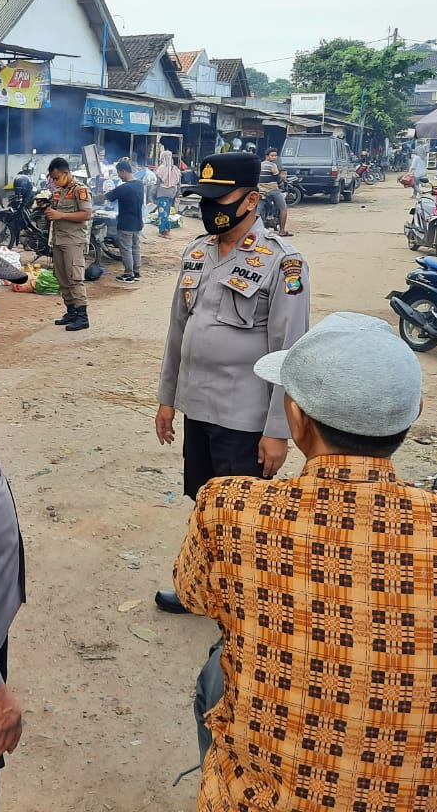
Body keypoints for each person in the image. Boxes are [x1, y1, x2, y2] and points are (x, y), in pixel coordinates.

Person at [174, 311, 437, 811]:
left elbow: (194, 593)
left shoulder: (228, 507)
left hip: (261, 801)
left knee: (216, 671)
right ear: (414, 411)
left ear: (295, 417)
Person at [153, 151, 310, 614]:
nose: (210, 207)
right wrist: (167, 400)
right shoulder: (197, 251)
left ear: (252, 200)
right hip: (198, 408)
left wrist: (278, 431)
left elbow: (289, 353)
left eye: (219, 198)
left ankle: (243, 601)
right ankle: (202, 586)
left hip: (244, 416)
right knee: (204, 502)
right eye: (204, 198)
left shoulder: (282, 263)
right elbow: (177, 331)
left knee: (243, 514)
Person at [44, 156, 93, 331]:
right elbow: (55, 213)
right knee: (62, 278)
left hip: (73, 241)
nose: (55, 181)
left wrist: (61, 215)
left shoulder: (80, 190)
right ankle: (71, 311)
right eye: (53, 179)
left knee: (75, 278)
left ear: (66, 173)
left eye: (57, 178)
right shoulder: (58, 192)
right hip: (58, 240)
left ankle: (82, 316)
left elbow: (87, 214)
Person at [104, 159, 145, 284]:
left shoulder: (124, 188)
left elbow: (107, 197)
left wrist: (91, 196)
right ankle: (136, 272)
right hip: (137, 222)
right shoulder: (139, 184)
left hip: (126, 223)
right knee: (135, 247)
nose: (119, 176)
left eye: (118, 173)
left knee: (126, 249)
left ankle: (128, 274)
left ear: (123, 171)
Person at [257, 147, 292, 236]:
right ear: (267, 156)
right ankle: (282, 231)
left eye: (275, 156)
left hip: (261, 191)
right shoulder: (273, 165)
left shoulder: (260, 164)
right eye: (272, 155)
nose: (274, 157)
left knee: (256, 211)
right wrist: (282, 185)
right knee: (283, 208)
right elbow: (278, 178)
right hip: (272, 190)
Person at [153, 149, 181, 237]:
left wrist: (153, 193)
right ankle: (167, 228)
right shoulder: (176, 169)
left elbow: (157, 183)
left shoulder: (161, 169)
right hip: (172, 193)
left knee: (162, 213)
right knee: (167, 212)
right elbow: (178, 183)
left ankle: (163, 231)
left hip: (163, 193)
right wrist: (177, 194)